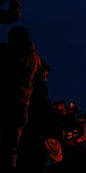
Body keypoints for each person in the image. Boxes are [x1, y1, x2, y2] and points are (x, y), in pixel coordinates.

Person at [0, 26, 41, 171]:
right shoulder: (34, 59)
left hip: (14, 102)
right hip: (22, 103)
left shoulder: (17, 58)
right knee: (13, 141)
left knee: (10, 142)